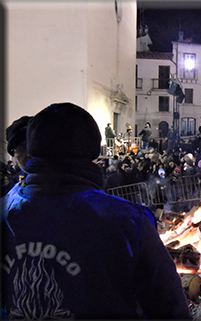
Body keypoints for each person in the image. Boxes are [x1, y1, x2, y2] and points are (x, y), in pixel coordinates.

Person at [1, 102, 191, 320]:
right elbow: (169, 308)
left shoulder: (5, 211)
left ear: (32, 149)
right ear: (93, 151)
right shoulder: (128, 221)